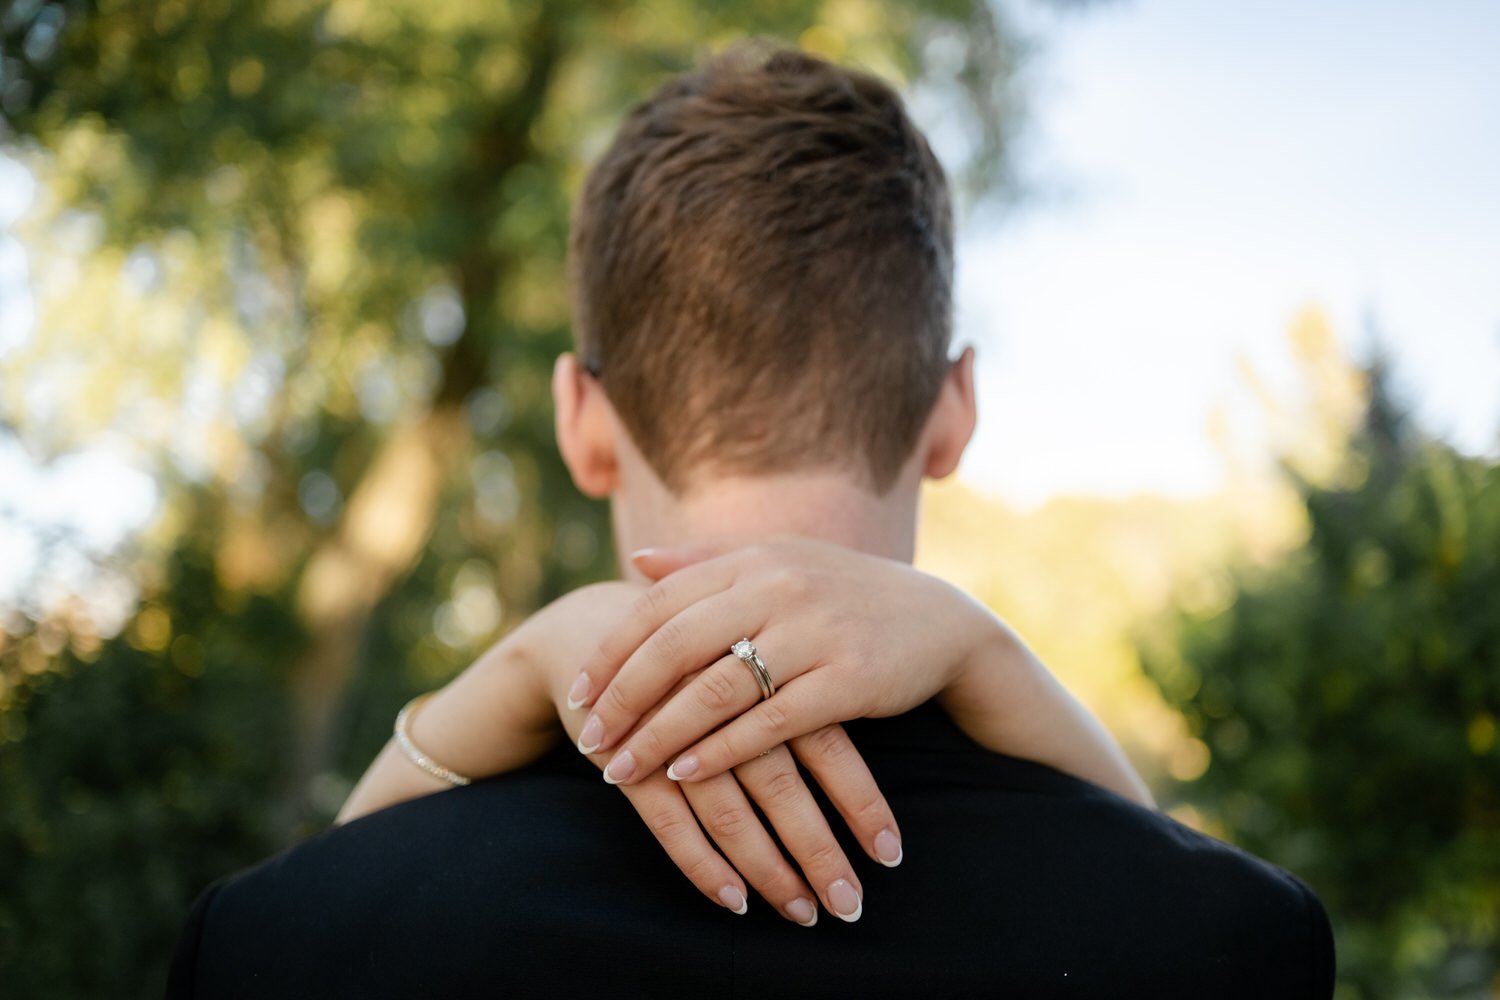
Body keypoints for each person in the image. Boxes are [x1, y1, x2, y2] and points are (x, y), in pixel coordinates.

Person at [167, 44, 1334, 997]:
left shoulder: (275, 940)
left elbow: (311, 895)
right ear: (952, 412)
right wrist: (986, 650)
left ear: (582, 419)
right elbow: (1183, 896)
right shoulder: (1231, 940)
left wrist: (504, 680)